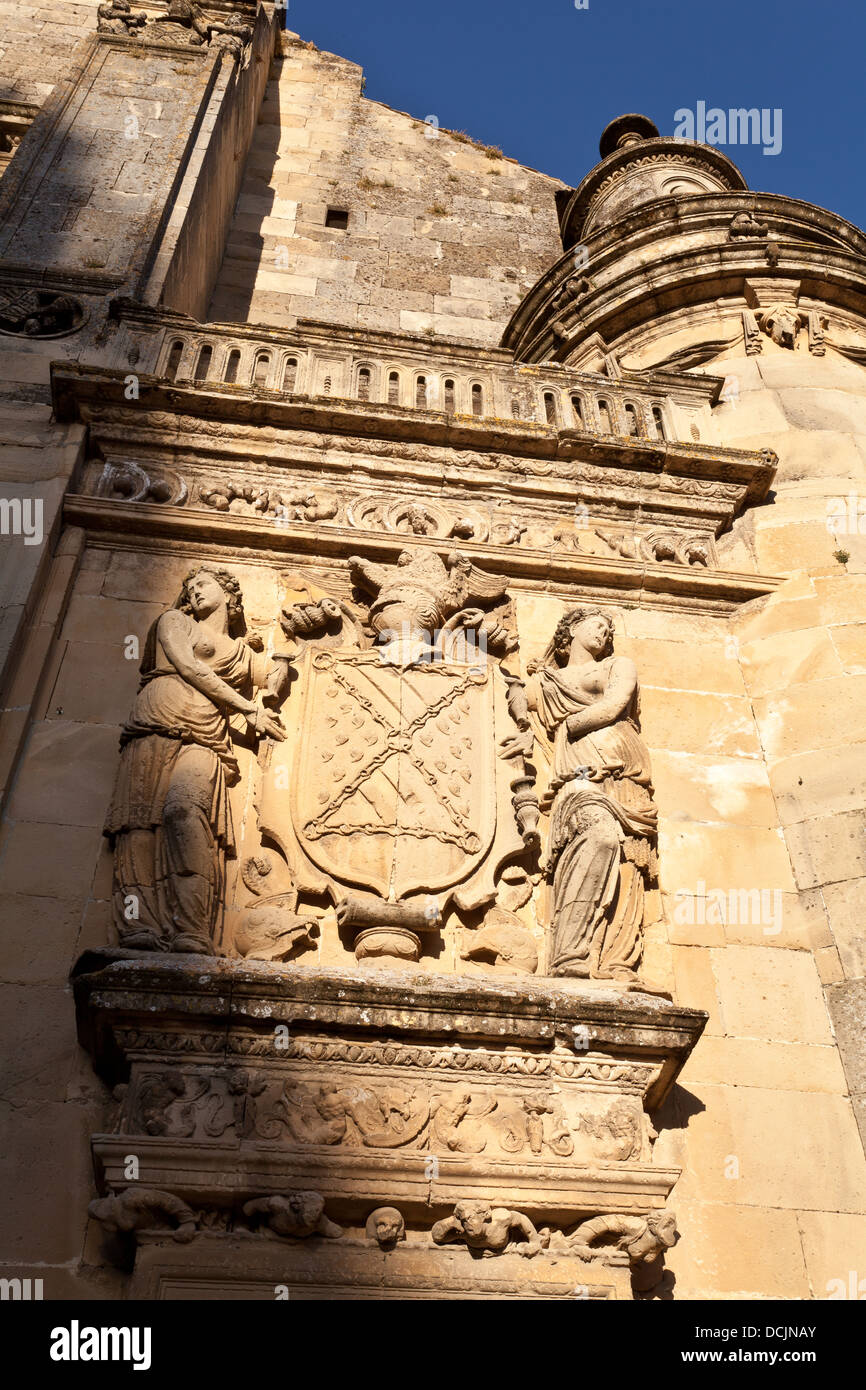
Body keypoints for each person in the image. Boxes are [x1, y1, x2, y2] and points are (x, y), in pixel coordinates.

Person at [104, 566, 285, 955]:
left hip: (206, 733)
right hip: (156, 720)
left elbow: (274, 672)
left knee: (184, 812)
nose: (195, 592)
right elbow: (188, 666)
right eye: (190, 588)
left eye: (203, 584)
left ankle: (193, 928)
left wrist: (280, 666)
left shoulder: (239, 652)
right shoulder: (175, 621)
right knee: (140, 822)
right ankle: (141, 925)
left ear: (228, 595)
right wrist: (247, 708)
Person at [527, 607, 657, 980]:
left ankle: (615, 958)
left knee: (629, 859)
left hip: (622, 761)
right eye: (595, 625)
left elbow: (614, 705)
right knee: (596, 835)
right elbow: (512, 702)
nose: (603, 632)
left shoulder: (618, 665)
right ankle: (570, 953)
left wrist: (569, 723)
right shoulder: (546, 681)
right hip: (578, 770)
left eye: (608, 629)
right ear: (570, 629)